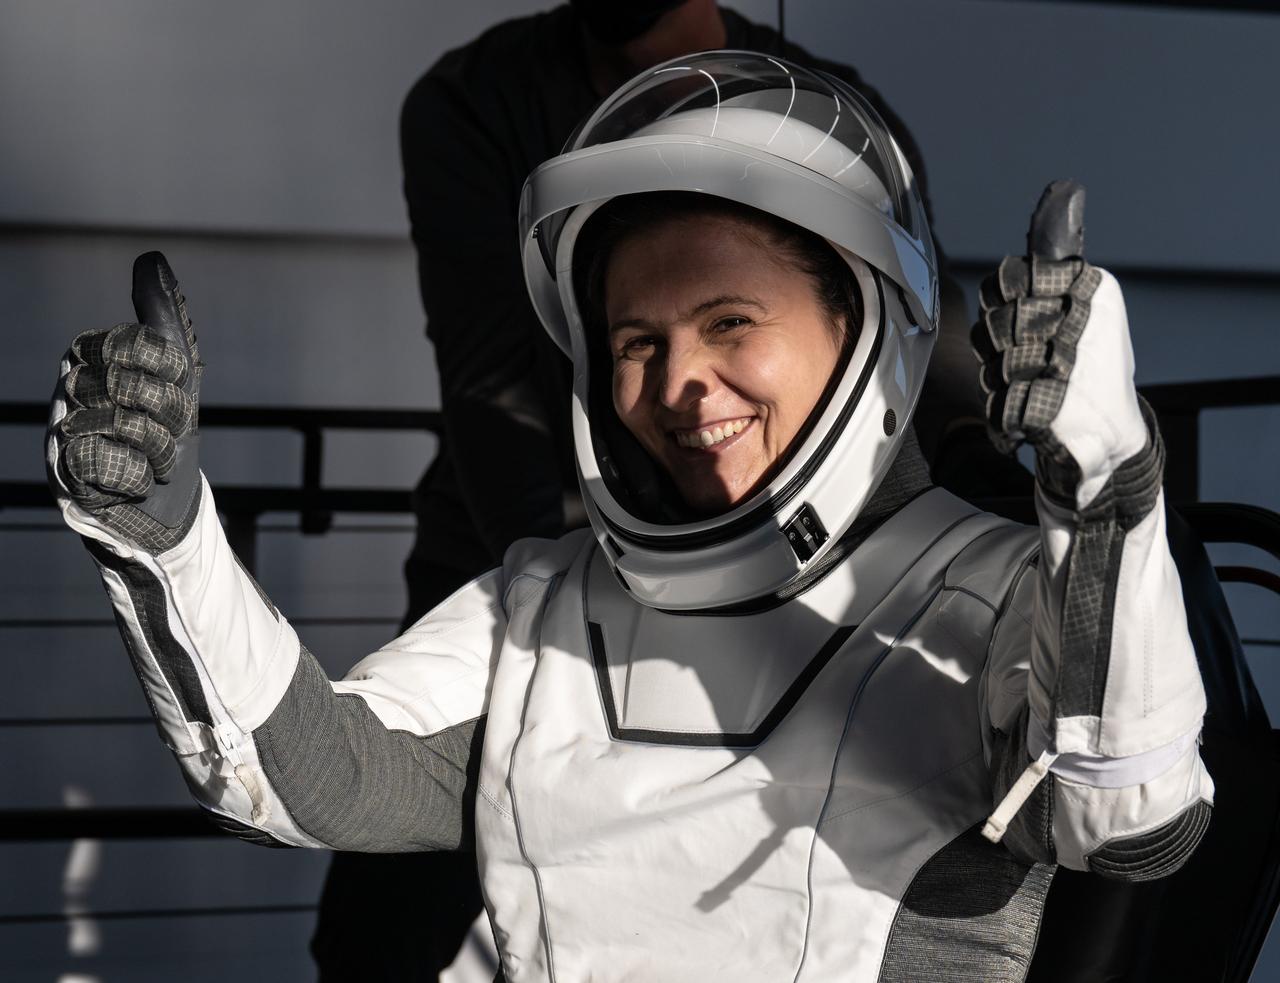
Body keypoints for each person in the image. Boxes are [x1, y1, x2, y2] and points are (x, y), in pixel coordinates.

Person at [47, 53, 1211, 982]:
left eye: (727, 323)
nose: (678, 385)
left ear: (875, 328)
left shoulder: (1002, 585)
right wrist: (162, 528)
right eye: (636, 344)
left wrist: (1101, 484)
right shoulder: (542, 597)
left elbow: (1126, 811)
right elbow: (304, 777)